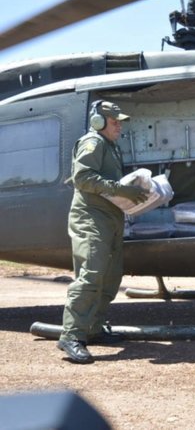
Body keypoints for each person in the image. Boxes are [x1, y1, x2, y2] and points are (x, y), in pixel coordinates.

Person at [57, 100, 148, 364]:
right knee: (91, 275)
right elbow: (83, 178)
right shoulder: (93, 142)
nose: (119, 125)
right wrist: (122, 190)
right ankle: (72, 336)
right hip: (91, 218)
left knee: (109, 278)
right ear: (99, 122)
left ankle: (93, 329)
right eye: (115, 121)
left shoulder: (110, 147)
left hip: (109, 219)